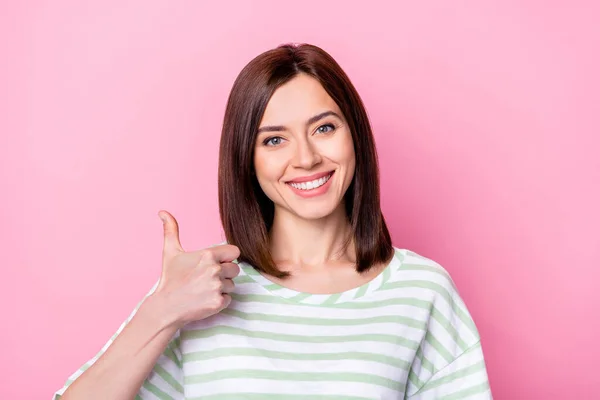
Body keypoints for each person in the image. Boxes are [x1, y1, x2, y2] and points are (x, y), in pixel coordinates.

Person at [53, 43, 492, 399]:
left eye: (324, 128)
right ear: (247, 158)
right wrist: (160, 312)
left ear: (354, 134)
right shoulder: (199, 290)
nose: (305, 158)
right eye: (275, 139)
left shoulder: (421, 291)